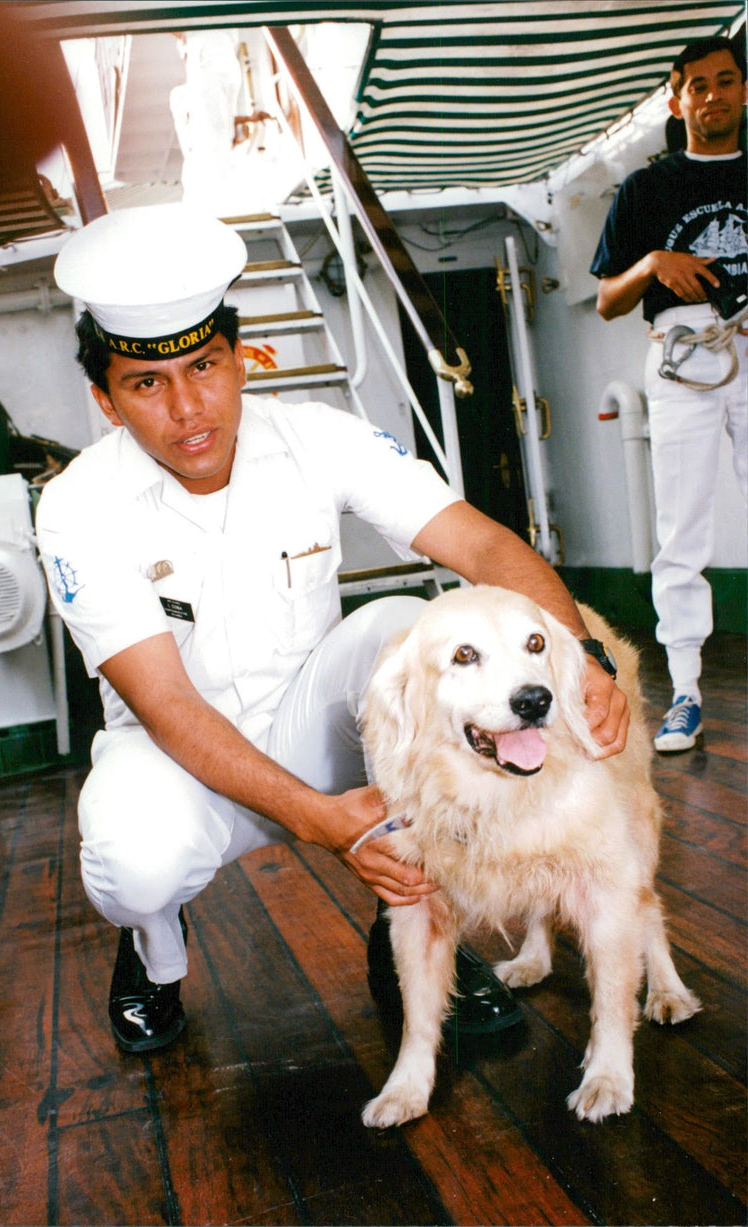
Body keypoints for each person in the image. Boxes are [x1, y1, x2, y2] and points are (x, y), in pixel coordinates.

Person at [37, 202, 628, 1054]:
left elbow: (484, 544)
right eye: (146, 384)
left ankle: (422, 940)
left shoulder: (317, 436)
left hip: (313, 723)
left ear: (243, 360)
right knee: (133, 865)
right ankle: (153, 954)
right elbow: (166, 706)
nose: (188, 406)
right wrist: (324, 821)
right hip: (178, 761)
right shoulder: (77, 506)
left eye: (206, 366)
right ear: (105, 399)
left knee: (405, 631)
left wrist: (587, 659)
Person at [591, 35, 747, 753]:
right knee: (680, 533)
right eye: (698, 86)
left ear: (744, 92)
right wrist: (654, 261)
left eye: (726, 82)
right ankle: (685, 690)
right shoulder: (646, 190)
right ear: (677, 99)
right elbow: (605, 302)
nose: (712, 96)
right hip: (683, 362)